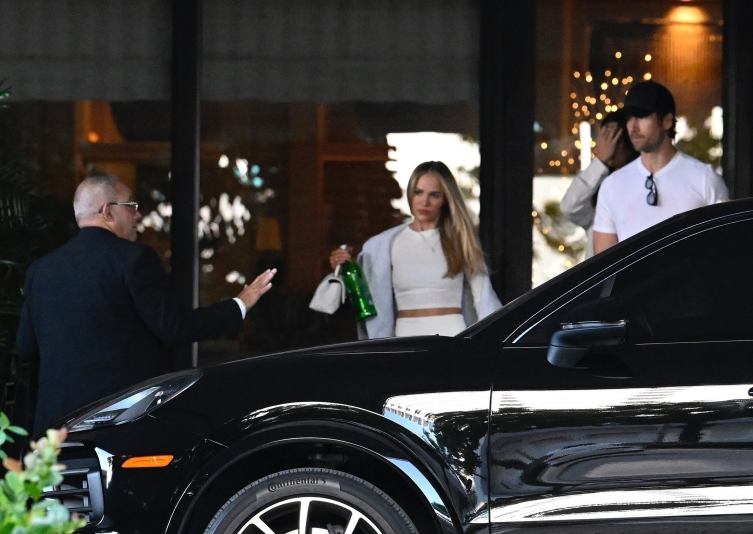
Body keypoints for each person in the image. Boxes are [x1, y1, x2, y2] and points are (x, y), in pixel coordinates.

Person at [17, 174, 276, 432]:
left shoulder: (40, 270)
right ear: (107, 211)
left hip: (55, 430)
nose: (138, 215)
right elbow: (174, 327)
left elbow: (26, 347)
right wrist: (240, 303)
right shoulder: (133, 259)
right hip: (119, 423)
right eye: (131, 206)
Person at [329, 161, 501, 338]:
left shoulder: (461, 241)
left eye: (434, 195)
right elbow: (361, 298)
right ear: (410, 193)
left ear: (445, 199)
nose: (424, 202)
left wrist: (495, 345)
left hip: (451, 336)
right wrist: (341, 269)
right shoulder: (384, 245)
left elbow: (484, 298)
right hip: (404, 338)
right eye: (418, 192)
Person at [592, 81, 729, 254]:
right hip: (635, 282)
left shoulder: (704, 178)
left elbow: (723, 250)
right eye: (629, 118)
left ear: (667, 121)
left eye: (642, 117)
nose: (633, 127)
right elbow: (605, 267)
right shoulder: (612, 185)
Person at [559, 110, 639, 258]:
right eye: (604, 137)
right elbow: (569, 207)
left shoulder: (644, 185)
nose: (610, 145)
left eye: (615, 137)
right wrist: (600, 161)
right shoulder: (599, 186)